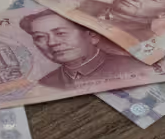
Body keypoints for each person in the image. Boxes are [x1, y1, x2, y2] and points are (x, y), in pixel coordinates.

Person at [20, 10, 153, 89]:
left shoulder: (135, 67)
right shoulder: (46, 84)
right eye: (40, 37)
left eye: (60, 33)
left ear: (92, 36)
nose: (52, 43)